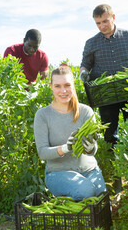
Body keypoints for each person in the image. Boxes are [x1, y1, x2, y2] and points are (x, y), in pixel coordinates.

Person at [79, 4, 128, 193]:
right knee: (110, 134)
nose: (102, 26)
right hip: (106, 95)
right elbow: (85, 64)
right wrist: (83, 73)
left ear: (113, 17)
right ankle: (117, 175)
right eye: (98, 23)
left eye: (105, 21)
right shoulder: (91, 43)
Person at [34, 64, 107, 201]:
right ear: (51, 86)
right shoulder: (43, 115)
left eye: (67, 85)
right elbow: (42, 152)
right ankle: (65, 202)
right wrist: (66, 148)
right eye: (58, 86)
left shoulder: (86, 111)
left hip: (89, 170)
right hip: (58, 174)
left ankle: (73, 206)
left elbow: (93, 150)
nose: (63, 91)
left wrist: (91, 148)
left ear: (73, 85)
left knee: (103, 203)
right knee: (86, 192)